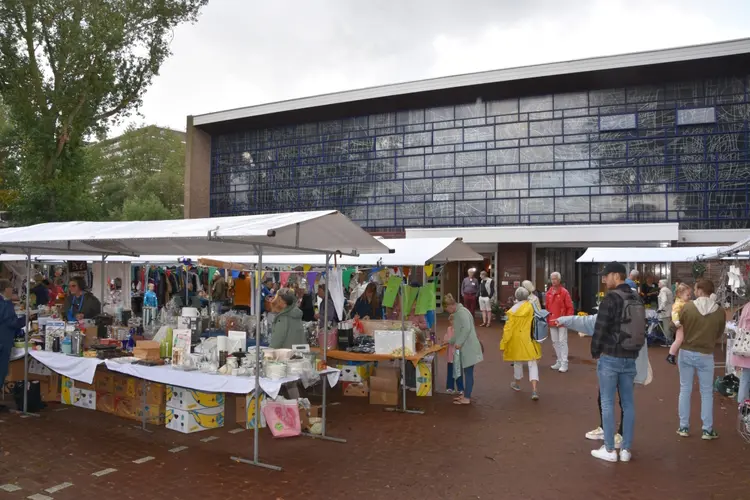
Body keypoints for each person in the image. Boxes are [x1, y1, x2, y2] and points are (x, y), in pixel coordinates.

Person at [590, 262, 645, 463]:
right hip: (630, 357)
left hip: (611, 356)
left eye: (607, 276)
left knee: (607, 402)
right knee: (628, 404)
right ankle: (626, 449)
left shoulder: (611, 298)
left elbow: (600, 328)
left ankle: (610, 449)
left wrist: (595, 351)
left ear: (616, 276)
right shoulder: (636, 297)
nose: (604, 280)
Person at [676, 279, 725, 440]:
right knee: (706, 392)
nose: (694, 291)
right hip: (706, 354)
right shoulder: (719, 311)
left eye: (696, 288)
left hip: (687, 351)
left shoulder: (688, 307)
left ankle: (683, 427)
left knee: (685, 389)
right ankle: (707, 429)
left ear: (700, 290)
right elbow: (719, 333)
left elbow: (676, 326)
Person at [500, 287, 542, 400]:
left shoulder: (512, 311)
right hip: (529, 338)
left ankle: (517, 383)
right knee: (532, 363)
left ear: (516, 297)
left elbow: (507, 329)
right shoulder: (532, 307)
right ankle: (534, 390)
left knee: (517, 362)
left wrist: (503, 343)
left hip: (516, 339)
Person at [443, 293, 483, 405]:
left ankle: (467, 397)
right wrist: (450, 341)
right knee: (467, 372)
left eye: (447, 308)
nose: (447, 311)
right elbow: (459, 332)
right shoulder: (461, 312)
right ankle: (465, 394)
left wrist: (458, 343)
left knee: (468, 372)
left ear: (450, 306)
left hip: (469, 347)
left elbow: (466, 328)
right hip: (467, 346)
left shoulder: (461, 313)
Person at [0, 279, 26, 412]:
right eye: (11, 288)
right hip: (3, 342)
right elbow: (12, 322)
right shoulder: (5, 304)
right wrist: (26, 319)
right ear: (6, 289)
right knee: (1, 371)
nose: (13, 291)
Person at [545, 272, 574, 373]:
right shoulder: (548, 293)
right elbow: (547, 307)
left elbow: (570, 307)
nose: (553, 281)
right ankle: (559, 360)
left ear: (559, 280)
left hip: (562, 320)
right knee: (555, 342)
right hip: (552, 320)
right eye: (552, 279)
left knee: (562, 341)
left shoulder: (564, 292)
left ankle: (564, 362)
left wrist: (567, 319)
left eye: (555, 279)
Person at [666, 283, 692, 365]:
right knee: (679, 339)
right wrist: (676, 322)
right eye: (687, 295)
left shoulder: (684, 302)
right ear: (680, 294)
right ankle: (671, 355)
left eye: (689, 295)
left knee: (682, 340)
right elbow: (674, 313)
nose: (689, 296)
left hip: (684, 324)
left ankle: (673, 354)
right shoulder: (678, 304)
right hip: (681, 325)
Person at [443, 314, 464, 395]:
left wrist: (449, 341)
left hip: (457, 353)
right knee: (450, 371)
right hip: (450, 354)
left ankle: (460, 388)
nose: (452, 322)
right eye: (451, 320)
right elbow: (446, 338)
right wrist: (446, 340)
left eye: (453, 320)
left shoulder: (460, 330)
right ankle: (450, 387)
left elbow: (457, 340)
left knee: (458, 372)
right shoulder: (449, 329)